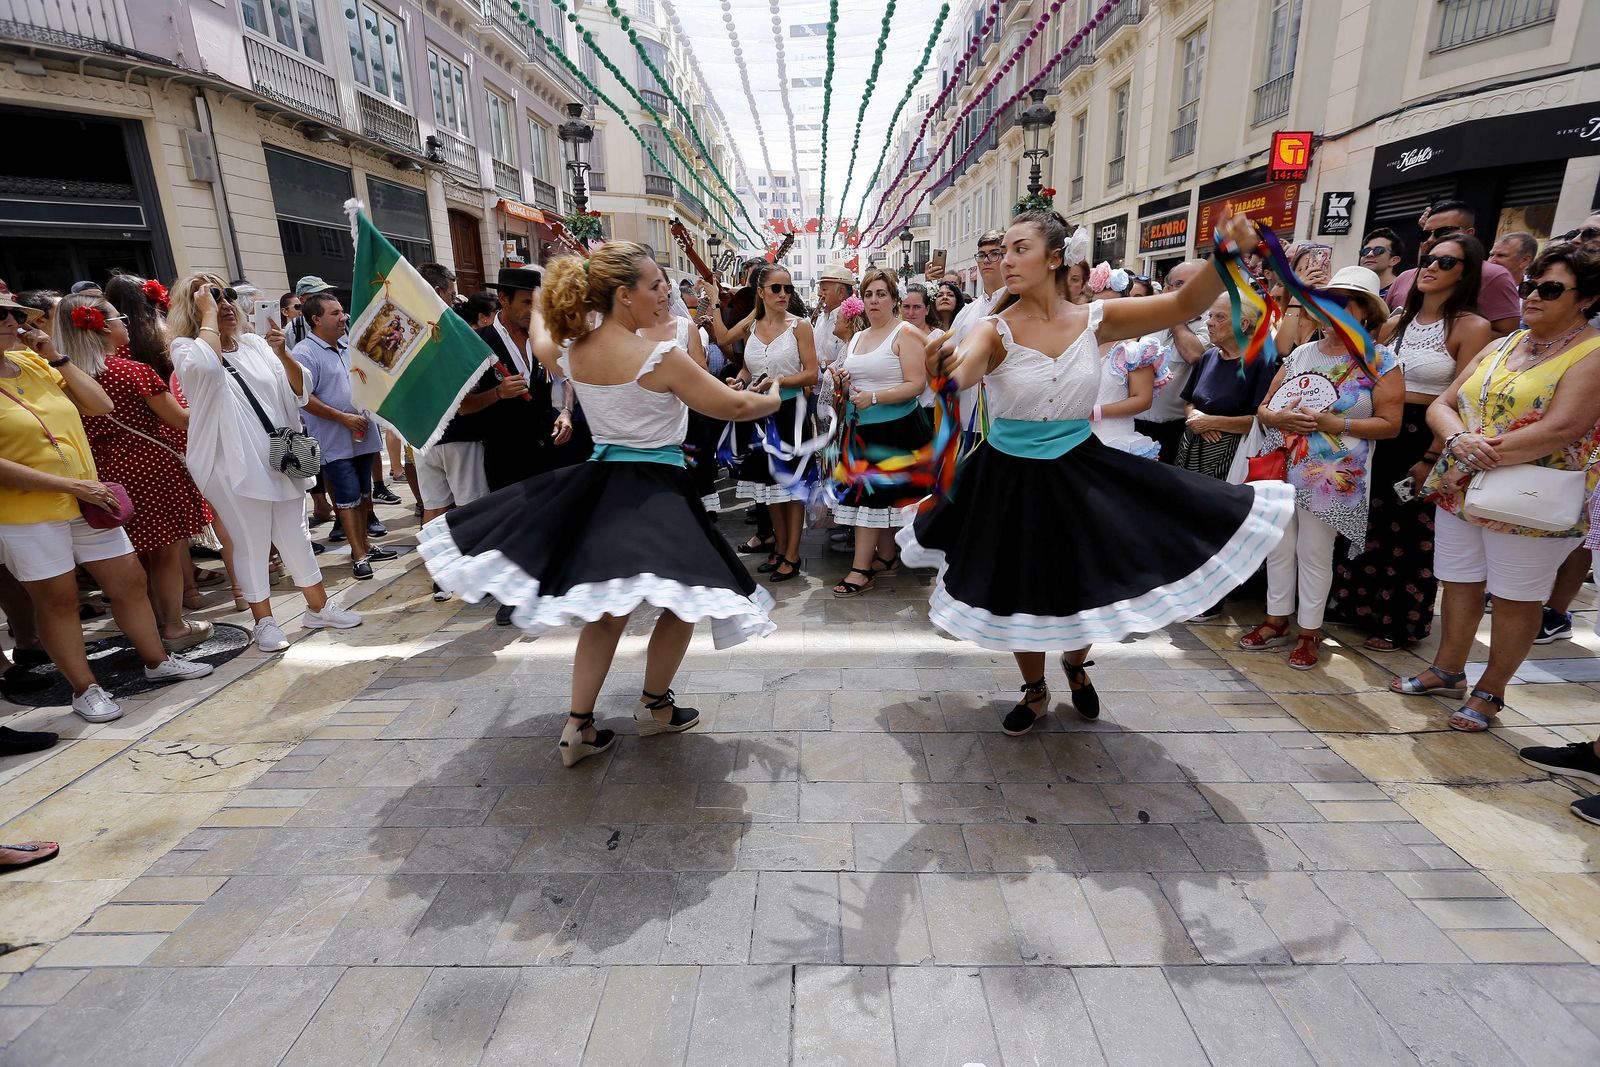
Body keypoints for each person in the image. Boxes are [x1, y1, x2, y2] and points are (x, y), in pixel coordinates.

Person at [901, 209, 1292, 734]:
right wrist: (942, 368)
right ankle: (1035, 689)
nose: (1005, 261)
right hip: (1009, 478)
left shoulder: (1098, 317)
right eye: (1002, 251)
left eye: (1020, 249)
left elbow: (1182, 304)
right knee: (1019, 588)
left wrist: (1225, 252)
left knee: (1082, 577)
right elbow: (965, 369)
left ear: (1055, 257)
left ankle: (1076, 665)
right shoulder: (994, 330)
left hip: (1079, 471)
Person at [419, 243, 783, 767]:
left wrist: (549, 290)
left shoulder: (573, 351)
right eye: (655, 286)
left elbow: (541, 332)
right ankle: (655, 707)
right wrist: (771, 399)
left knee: (608, 611)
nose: (664, 295)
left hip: (602, 486)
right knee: (688, 599)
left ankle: (578, 725)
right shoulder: (661, 357)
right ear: (623, 295)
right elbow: (734, 405)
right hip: (658, 490)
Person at [1391, 241, 1600, 731]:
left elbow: (1564, 428)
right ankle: (1447, 669)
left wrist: (1481, 451)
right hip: (1461, 483)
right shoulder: (1502, 343)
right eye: (1531, 285)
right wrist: (1459, 439)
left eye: (1551, 289)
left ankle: (1491, 690)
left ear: (1588, 298)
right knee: (1459, 581)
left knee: (1516, 596)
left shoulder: (1592, 353)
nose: (1533, 297)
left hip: (1531, 494)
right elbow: (1444, 403)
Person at [0, 286, 214, 722]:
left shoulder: (32, 362)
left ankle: (157, 661)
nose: (11, 322)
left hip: (88, 498)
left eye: (12, 315)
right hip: (29, 512)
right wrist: (74, 487)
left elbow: (100, 405)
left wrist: (56, 356)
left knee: (130, 582)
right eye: (0, 317)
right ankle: (85, 688)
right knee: (57, 601)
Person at [169, 275, 362, 651]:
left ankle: (318, 606)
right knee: (250, 541)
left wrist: (283, 354)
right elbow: (206, 370)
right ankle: (265, 620)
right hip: (229, 462)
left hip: (279, 454)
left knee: (296, 534)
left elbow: (300, 391)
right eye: (212, 298)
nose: (224, 303)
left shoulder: (255, 343)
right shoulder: (186, 347)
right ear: (192, 307)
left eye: (226, 296)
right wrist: (208, 314)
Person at [1238, 267, 1403, 669]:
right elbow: (1263, 407)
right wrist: (1279, 419)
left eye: (1345, 302)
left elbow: (1390, 424)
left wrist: (1337, 424)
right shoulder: (1300, 353)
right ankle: (1276, 619)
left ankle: (1309, 631)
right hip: (1283, 462)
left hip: (1333, 474)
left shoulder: (1380, 360)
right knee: (1277, 545)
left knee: (1314, 551)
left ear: (1365, 312)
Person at [1331, 236, 1491, 650]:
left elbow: (1463, 398)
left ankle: (1398, 620)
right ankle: (1354, 606)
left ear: (1466, 272)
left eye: (1446, 261)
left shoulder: (1472, 326)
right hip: (1381, 425)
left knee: (1411, 530)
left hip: (1427, 433)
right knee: (1364, 518)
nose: (1431, 267)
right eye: (1427, 260)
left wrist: (1432, 456)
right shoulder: (1396, 321)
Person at [54, 291, 214, 651]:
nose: (125, 324)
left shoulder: (62, 381)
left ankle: (147, 625)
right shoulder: (133, 371)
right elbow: (180, 419)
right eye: (118, 319)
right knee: (166, 555)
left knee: (128, 556)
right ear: (103, 328)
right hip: (150, 468)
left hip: (102, 475)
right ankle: (172, 625)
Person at [830, 268, 931, 597]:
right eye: (868, 295)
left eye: (881, 294)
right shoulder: (857, 336)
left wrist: (875, 397)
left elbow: (916, 385)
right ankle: (886, 560)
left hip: (896, 430)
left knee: (869, 503)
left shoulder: (905, 333)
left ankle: (861, 570)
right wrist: (843, 382)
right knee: (877, 501)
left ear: (894, 300)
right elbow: (857, 378)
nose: (874, 301)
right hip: (861, 429)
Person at [291, 292, 395, 581]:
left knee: (363, 494)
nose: (343, 318)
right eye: (335, 313)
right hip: (334, 441)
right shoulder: (304, 353)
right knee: (347, 498)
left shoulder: (350, 347)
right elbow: (304, 398)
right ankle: (359, 556)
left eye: (342, 312)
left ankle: (365, 545)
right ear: (316, 319)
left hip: (363, 435)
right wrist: (343, 418)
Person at [731, 265, 819, 583]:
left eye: (788, 289)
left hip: (790, 411)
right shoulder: (751, 327)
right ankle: (780, 548)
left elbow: (812, 373)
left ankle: (792, 554)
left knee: (792, 486)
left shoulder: (800, 327)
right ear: (761, 292)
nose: (784, 294)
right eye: (777, 289)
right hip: (759, 412)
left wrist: (779, 381)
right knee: (770, 487)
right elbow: (747, 368)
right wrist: (738, 381)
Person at [1174, 295, 1275, 481]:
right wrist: (1195, 417)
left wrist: (1213, 422)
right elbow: (1189, 402)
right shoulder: (1208, 356)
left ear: (1243, 324)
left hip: (1232, 456)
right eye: (1210, 316)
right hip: (1191, 448)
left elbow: (1263, 421)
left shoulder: (1260, 363)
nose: (1209, 323)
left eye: (1219, 317)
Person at [1385, 201, 1522, 335]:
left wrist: (1448, 337)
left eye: (1443, 232)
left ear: (1469, 233)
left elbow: (1506, 337)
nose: (1431, 239)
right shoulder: (1404, 277)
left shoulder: (1494, 275)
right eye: (1425, 234)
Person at [1133, 261, 1209, 463]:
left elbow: (1195, 355)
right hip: (1134, 425)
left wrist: (1175, 315)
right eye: (1179, 284)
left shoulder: (1209, 321)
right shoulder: (1150, 318)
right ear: (1166, 288)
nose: (1185, 291)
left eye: (1192, 284)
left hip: (1175, 430)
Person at [1359, 228, 1404, 296]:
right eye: (1365, 251)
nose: (1369, 254)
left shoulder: (1403, 292)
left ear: (1394, 260)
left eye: (1378, 250)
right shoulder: (1354, 290)